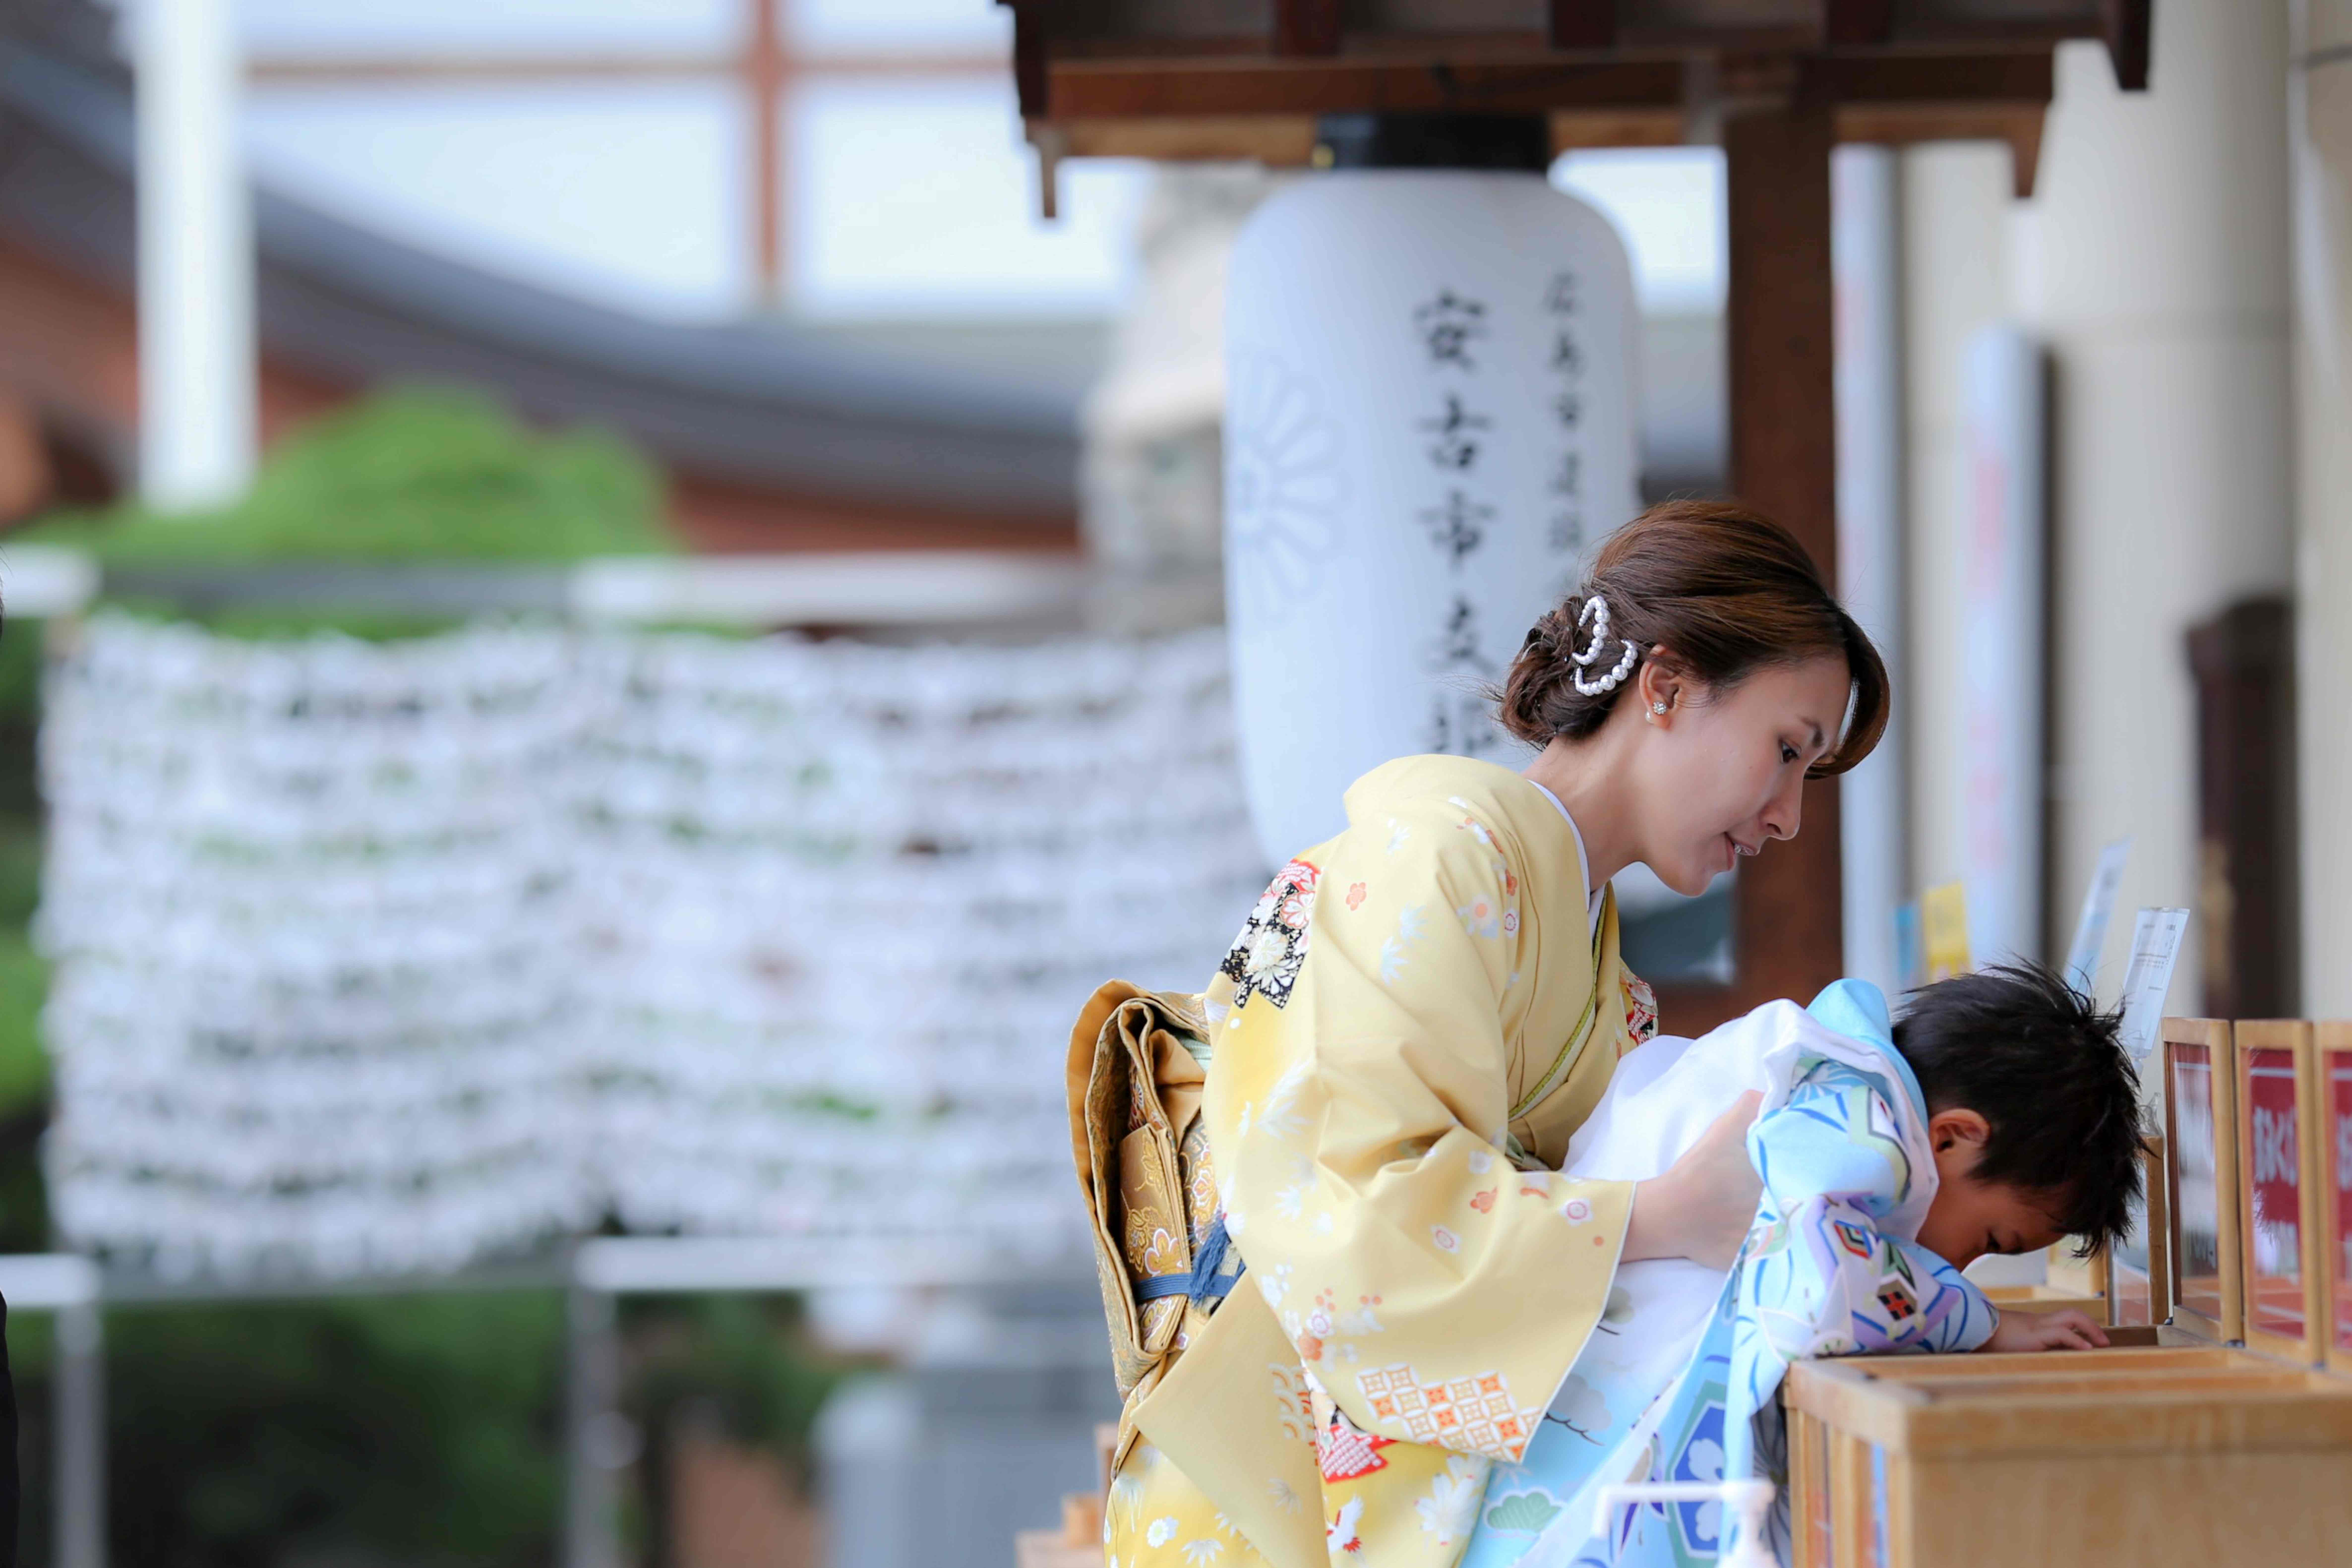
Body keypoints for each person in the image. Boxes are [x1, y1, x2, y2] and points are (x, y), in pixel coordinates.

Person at [1069, 500, 1890, 1568]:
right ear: (1666, 686)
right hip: (1258, 1493)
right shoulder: (1433, 863)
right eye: (1785, 751)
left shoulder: (1604, 982)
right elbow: (1356, 1208)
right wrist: (1661, 1214)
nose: (1786, 814)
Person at [1461, 964, 2141, 1568]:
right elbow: (1830, 1282)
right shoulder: (1853, 1117)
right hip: (1582, 1483)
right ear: (1952, 1137)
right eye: (1991, 1238)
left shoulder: (1822, 1064)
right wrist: (1986, 1326)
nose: (1962, 1267)